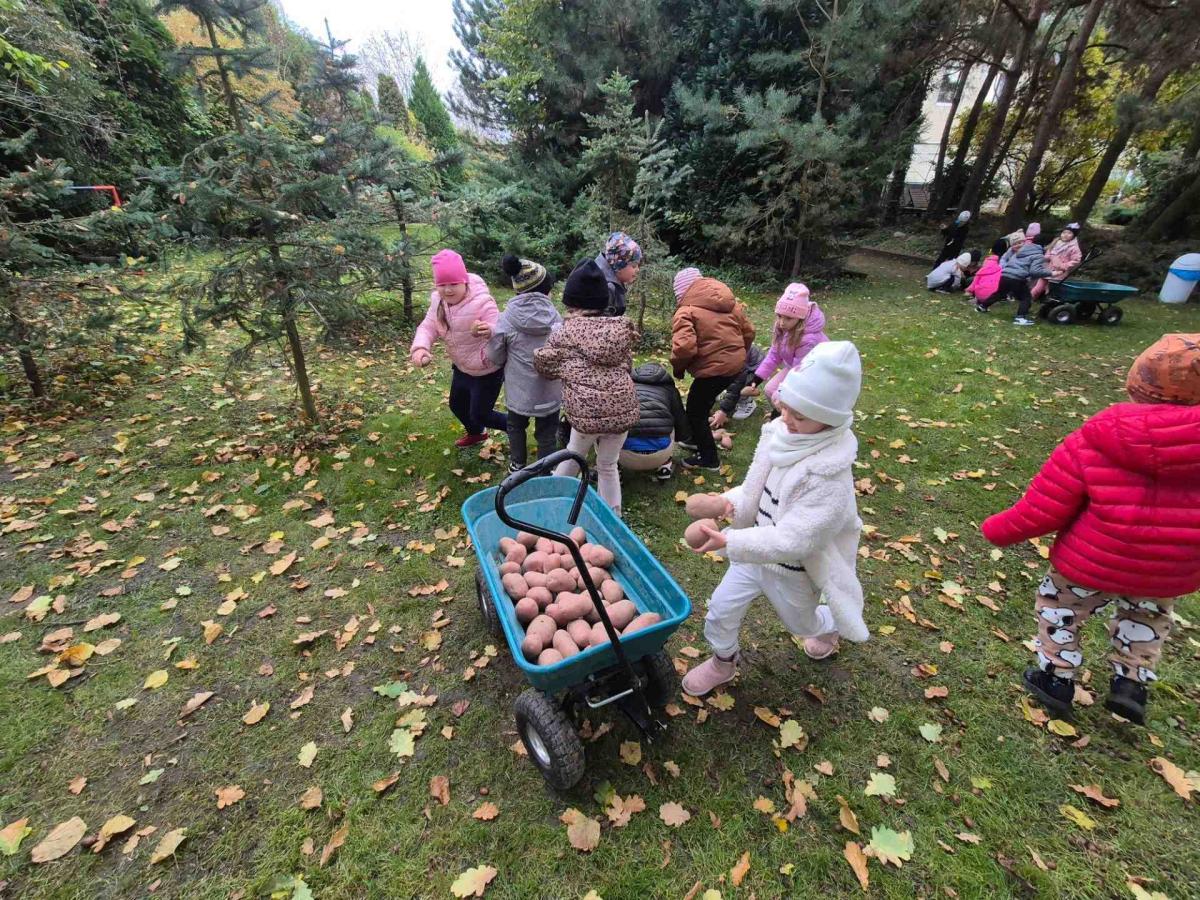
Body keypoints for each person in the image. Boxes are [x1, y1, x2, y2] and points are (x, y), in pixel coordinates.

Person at [981, 334, 1200, 725]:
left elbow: (1045, 507)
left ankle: (1056, 676)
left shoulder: (1097, 437)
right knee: (1147, 616)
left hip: (1089, 562)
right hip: (1168, 569)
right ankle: (1131, 683)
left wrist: (997, 530)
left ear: (1136, 384)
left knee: (1060, 609)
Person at [681, 342, 871, 696]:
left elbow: (797, 538)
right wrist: (725, 503)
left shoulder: (830, 477)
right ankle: (723, 661)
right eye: (786, 409)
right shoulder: (780, 437)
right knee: (721, 608)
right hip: (752, 552)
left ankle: (831, 623)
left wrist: (731, 541)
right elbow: (757, 489)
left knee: (802, 623)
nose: (787, 420)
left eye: (800, 416)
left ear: (830, 420)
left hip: (792, 567)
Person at [534, 259, 640, 516]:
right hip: (622, 409)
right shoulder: (619, 330)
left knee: (573, 455)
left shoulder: (564, 333)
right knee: (608, 464)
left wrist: (541, 356)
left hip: (586, 412)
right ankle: (613, 516)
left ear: (571, 304)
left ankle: (551, 498)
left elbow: (546, 366)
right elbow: (627, 366)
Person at [410, 249, 506, 448]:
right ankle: (477, 433)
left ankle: (515, 426)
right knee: (457, 405)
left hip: (487, 369)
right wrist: (420, 348)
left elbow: (502, 330)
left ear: (464, 281)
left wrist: (488, 329)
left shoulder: (482, 301)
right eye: (442, 285)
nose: (448, 290)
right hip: (462, 366)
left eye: (453, 284)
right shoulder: (438, 302)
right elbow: (428, 326)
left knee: (481, 413)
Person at [670, 268, 756, 471]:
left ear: (682, 292)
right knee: (701, 403)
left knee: (695, 410)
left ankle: (709, 459)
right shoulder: (730, 304)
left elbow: (684, 347)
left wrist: (679, 369)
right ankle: (696, 439)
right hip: (736, 366)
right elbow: (749, 331)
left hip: (714, 370)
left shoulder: (686, 311)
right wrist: (738, 353)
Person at [487, 254, 562, 473]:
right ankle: (546, 469)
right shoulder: (556, 317)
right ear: (546, 290)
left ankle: (518, 464)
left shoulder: (506, 318)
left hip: (519, 391)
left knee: (515, 426)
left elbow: (495, 354)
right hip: (550, 390)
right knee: (547, 433)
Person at [751, 283, 829, 407]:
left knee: (781, 396)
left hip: (815, 374)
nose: (781, 322)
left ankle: (786, 414)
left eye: (788, 318)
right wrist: (757, 379)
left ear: (800, 318)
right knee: (770, 390)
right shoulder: (782, 328)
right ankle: (782, 413)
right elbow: (774, 355)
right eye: (779, 316)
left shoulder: (808, 340)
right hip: (795, 367)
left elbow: (800, 374)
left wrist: (782, 397)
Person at [620, 363, 691, 483]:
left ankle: (615, 471)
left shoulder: (624, 387)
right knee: (672, 422)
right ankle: (665, 466)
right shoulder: (670, 390)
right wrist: (683, 437)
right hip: (660, 454)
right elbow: (681, 423)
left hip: (624, 455)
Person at [974, 228, 1053, 326]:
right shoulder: (1038, 255)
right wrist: (1051, 273)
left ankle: (982, 307)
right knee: (1026, 298)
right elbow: (1034, 271)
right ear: (1045, 245)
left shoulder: (1022, 250)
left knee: (999, 293)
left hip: (1005, 275)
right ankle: (1020, 318)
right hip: (1017, 278)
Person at [710, 344, 767, 430]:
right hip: (741, 366)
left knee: (740, 388)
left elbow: (737, 384)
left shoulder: (734, 356)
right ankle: (719, 393)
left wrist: (723, 411)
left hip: (755, 370)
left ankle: (747, 402)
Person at [595, 231, 642, 318]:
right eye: (634, 266)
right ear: (620, 265)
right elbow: (602, 324)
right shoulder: (606, 287)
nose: (637, 270)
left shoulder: (613, 280)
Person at [1031, 223, 1083, 300]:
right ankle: (1029, 298)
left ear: (1073, 236)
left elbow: (1076, 261)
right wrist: (1048, 257)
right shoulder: (1056, 243)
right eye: (1064, 232)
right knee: (1038, 287)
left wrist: (1064, 266)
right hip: (1048, 269)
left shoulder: (1074, 248)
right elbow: (1048, 253)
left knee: (1052, 289)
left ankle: (1047, 301)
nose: (1065, 235)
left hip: (1060, 272)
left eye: (1069, 233)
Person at [965, 239, 1006, 303]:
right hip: (993, 295)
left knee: (971, 280)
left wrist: (968, 290)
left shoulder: (988, 260)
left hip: (979, 295)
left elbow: (976, 279)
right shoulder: (1003, 261)